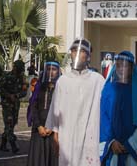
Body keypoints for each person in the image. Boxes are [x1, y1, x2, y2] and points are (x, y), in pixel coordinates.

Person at [44, 38, 105, 166]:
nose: (77, 54)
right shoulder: (63, 81)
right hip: (67, 135)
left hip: (90, 135)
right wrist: (55, 133)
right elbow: (56, 109)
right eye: (74, 50)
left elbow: (106, 109)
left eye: (82, 51)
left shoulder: (98, 81)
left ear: (88, 55)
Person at [100, 51, 137, 165]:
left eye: (125, 65)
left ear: (132, 67)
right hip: (113, 149)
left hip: (135, 151)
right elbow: (103, 118)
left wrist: (131, 144)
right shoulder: (108, 90)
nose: (121, 69)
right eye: (118, 65)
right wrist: (111, 141)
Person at [26, 61, 60, 166]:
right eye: (48, 69)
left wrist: (52, 127)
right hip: (38, 130)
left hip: (53, 132)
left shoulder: (61, 88)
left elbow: (62, 110)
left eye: (53, 69)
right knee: (37, 160)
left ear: (58, 71)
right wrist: (39, 126)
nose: (51, 72)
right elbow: (33, 107)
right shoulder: (39, 87)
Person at [0, 59, 27, 153]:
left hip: (15, 105)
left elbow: (24, 92)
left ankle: (3, 145)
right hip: (7, 105)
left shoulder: (22, 78)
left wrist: (16, 96)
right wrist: (8, 95)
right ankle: (14, 145)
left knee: (11, 125)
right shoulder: (7, 76)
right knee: (9, 124)